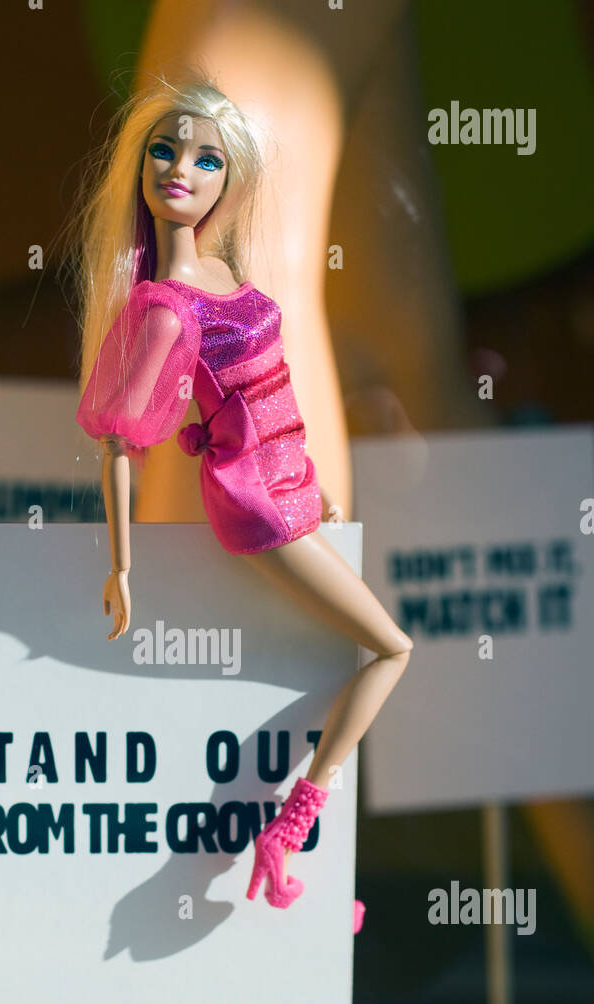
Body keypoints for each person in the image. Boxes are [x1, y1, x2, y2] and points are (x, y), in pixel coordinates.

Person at [73, 75, 412, 908]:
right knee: (392, 648)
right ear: (140, 166)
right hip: (256, 502)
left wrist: (314, 479)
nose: (179, 169)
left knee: (329, 655)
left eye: (204, 157)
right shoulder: (163, 310)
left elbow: (270, 391)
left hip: (291, 482)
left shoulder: (224, 271)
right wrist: (121, 567)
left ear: (231, 181)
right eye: (163, 149)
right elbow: (122, 443)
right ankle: (289, 827)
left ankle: (291, 834)